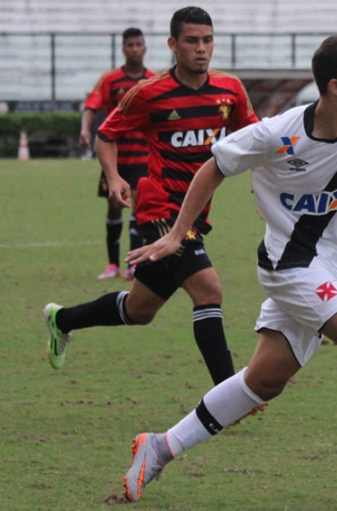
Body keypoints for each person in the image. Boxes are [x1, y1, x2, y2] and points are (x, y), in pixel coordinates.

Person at [120, 34, 337, 502]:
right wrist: (175, 235)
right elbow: (214, 166)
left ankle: (160, 447)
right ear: (336, 87)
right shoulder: (278, 133)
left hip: (330, 268)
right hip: (289, 264)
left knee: (264, 381)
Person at [43, 6, 258, 387]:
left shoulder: (229, 90)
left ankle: (62, 320)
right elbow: (106, 135)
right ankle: (230, 396)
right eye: (192, 41)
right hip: (160, 208)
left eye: (207, 40)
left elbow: (256, 139)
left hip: (196, 211)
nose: (201, 48)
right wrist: (114, 178)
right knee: (208, 290)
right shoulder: (149, 93)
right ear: (173, 44)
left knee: (139, 310)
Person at [81, 28, 157, 281]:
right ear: (123, 49)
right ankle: (113, 264)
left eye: (138, 44)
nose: (134, 49)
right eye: (130, 45)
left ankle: (133, 265)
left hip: (143, 157)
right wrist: (85, 130)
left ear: (144, 48)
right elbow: (91, 106)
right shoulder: (110, 79)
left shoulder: (153, 80)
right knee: (114, 210)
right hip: (113, 159)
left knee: (137, 207)